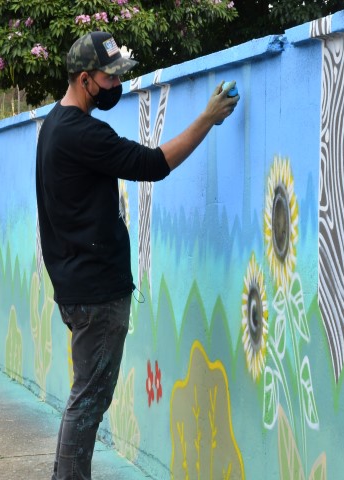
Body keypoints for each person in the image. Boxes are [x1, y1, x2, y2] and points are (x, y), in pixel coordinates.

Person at [36, 31, 240, 479]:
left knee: (86, 397)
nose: (117, 87)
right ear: (85, 79)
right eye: (110, 79)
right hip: (97, 291)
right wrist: (207, 119)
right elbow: (153, 165)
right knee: (88, 400)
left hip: (77, 286)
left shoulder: (53, 125)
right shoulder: (83, 133)